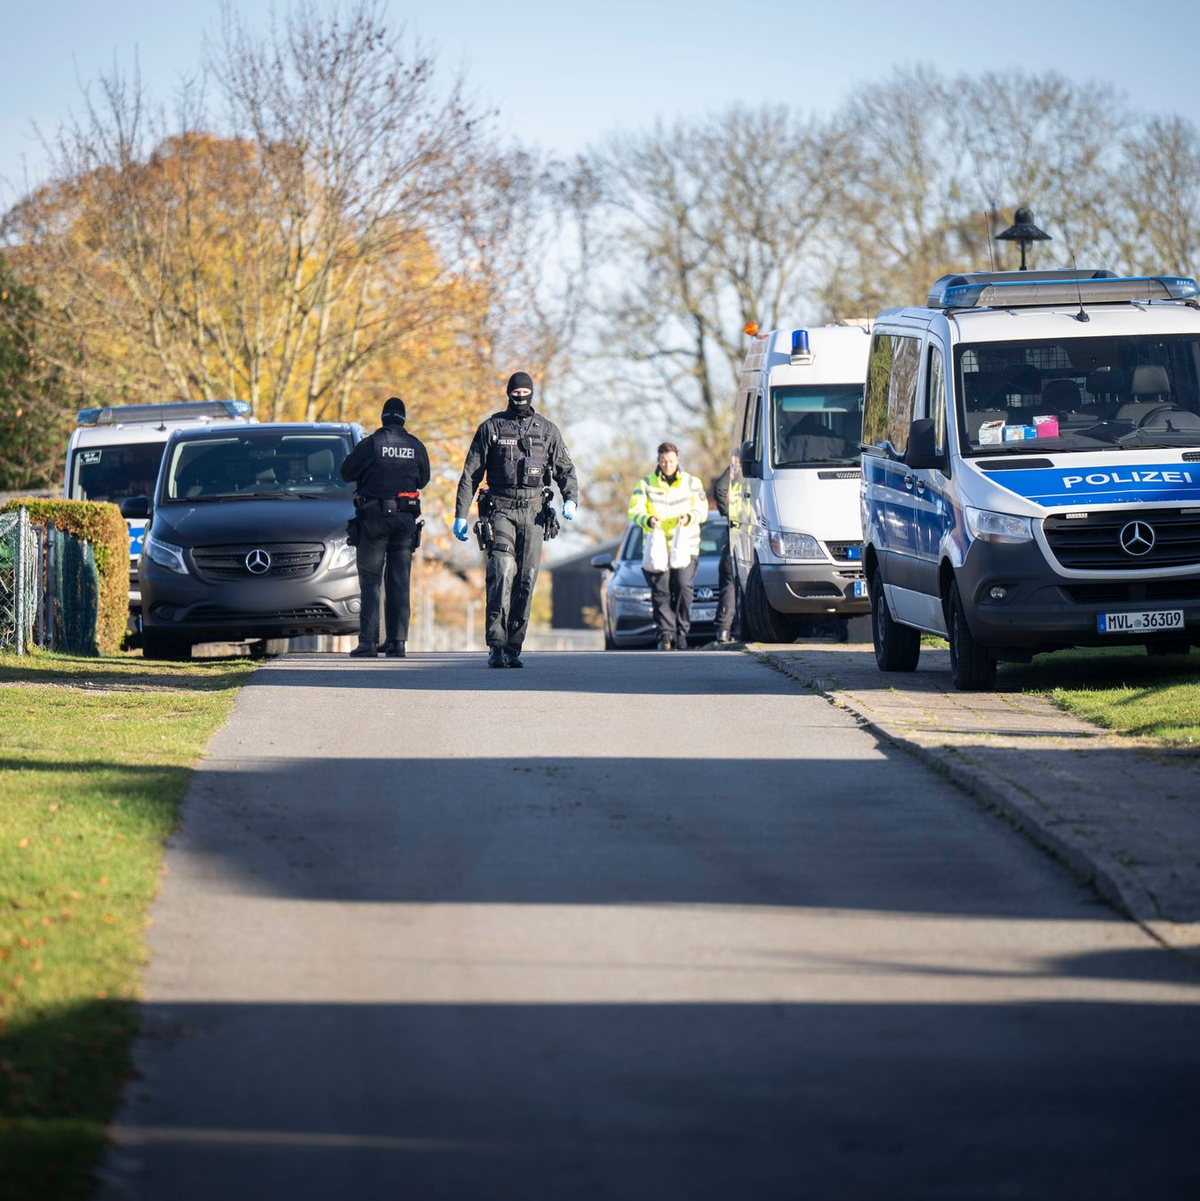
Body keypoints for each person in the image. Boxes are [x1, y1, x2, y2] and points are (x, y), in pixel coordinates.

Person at [452, 371, 579, 668]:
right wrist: (460, 513)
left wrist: (570, 497)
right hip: (501, 509)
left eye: (525, 393)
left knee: (527, 579)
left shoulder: (548, 431)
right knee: (503, 569)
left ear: (532, 394)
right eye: (515, 392)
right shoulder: (492, 427)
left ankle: (514, 646)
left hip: (534, 513)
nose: (520, 398)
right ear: (508, 392)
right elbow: (470, 475)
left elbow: (565, 469)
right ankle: (496, 644)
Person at [340, 396, 430, 658]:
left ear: (383, 417)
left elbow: (347, 472)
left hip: (373, 520)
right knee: (399, 582)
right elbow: (423, 480)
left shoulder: (371, 444)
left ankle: (368, 643)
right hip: (404, 521)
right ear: (404, 419)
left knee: (371, 582)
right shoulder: (416, 446)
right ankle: (398, 643)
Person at [628, 443, 708, 650]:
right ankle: (665, 636)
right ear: (658, 461)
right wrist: (648, 520)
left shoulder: (692, 483)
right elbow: (634, 511)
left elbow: (702, 510)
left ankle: (681, 633)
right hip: (657, 549)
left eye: (671, 461)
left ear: (678, 460)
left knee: (683, 587)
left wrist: (689, 517)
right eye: (664, 461)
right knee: (660, 593)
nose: (667, 465)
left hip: (685, 547)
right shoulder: (645, 484)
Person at [711, 465, 736, 643]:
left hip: (735, 531)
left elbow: (720, 488)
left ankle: (723, 631)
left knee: (729, 584)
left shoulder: (737, 464)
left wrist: (729, 515)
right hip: (750, 530)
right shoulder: (743, 464)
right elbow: (720, 488)